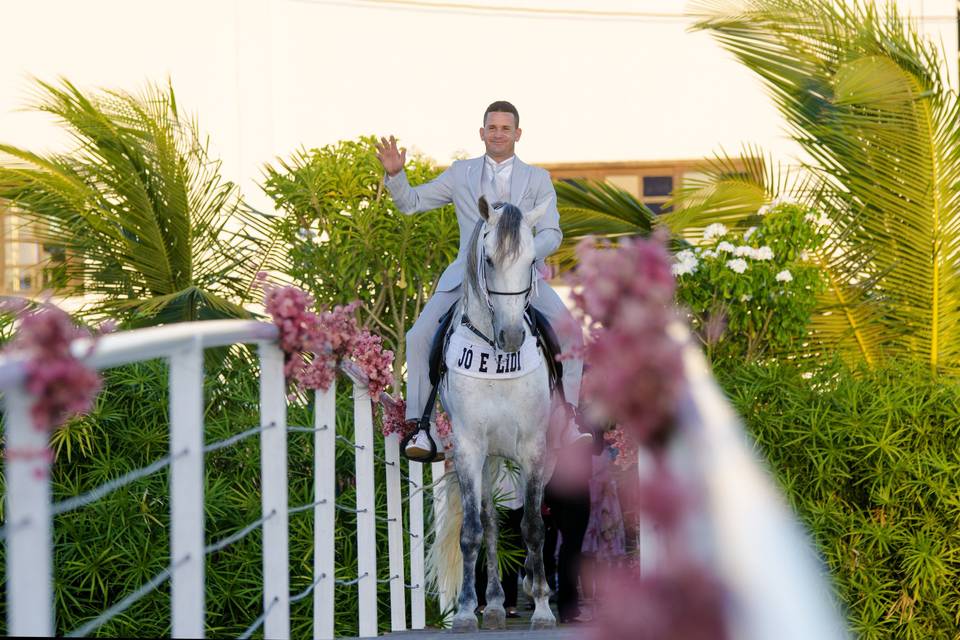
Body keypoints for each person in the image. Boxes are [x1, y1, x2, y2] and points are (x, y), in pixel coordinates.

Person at [375, 100, 589, 461]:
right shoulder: (460, 174)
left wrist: (521, 258)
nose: (498, 133)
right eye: (492, 127)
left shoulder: (538, 179)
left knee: (571, 333)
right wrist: (397, 176)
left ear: (518, 134)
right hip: (467, 278)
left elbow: (552, 232)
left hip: (522, 280)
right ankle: (422, 428)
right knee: (419, 335)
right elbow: (411, 203)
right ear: (482, 132)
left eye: (506, 128)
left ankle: (568, 420)